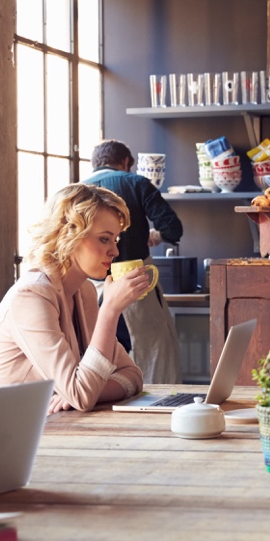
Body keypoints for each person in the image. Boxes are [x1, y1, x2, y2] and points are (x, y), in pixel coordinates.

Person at [0, 183, 147, 414]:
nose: (115, 252)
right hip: (8, 438)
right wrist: (110, 310)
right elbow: (81, 396)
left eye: (115, 240)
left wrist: (86, 391)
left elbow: (133, 376)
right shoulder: (31, 296)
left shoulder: (84, 291)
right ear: (69, 235)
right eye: (104, 239)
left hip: (50, 427)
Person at [84, 139, 184, 384]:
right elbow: (173, 229)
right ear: (126, 162)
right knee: (154, 352)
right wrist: (155, 236)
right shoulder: (136, 183)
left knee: (100, 357)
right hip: (137, 285)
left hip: (91, 290)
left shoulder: (78, 190)